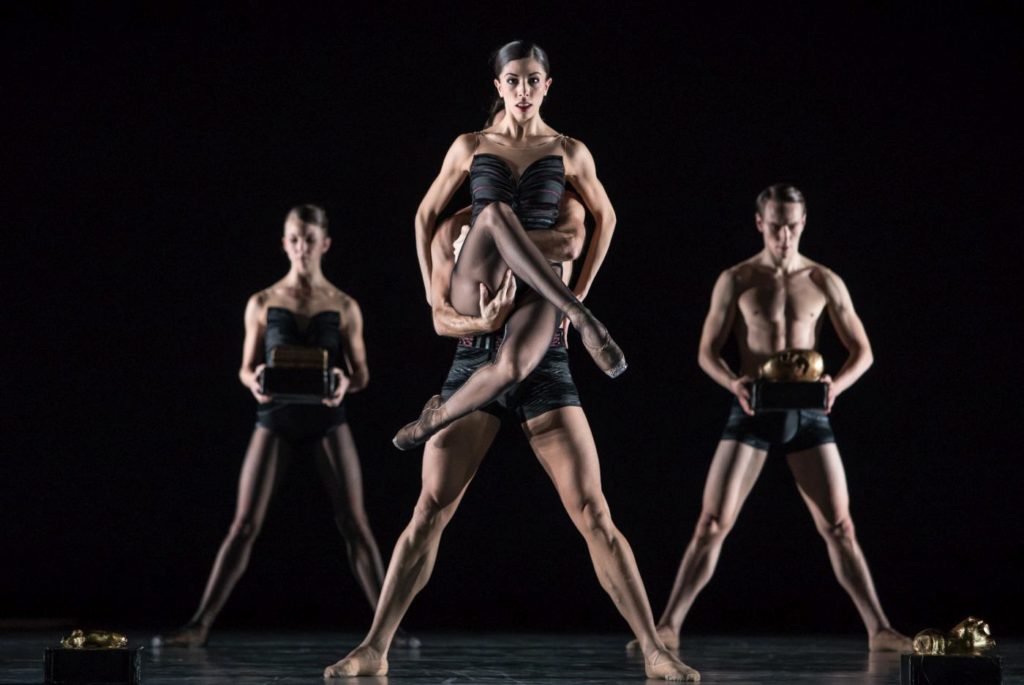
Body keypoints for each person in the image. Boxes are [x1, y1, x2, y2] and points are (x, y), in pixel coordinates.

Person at [324, 187, 700, 680]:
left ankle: (655, 650)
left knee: (593, 511)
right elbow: (439, 317)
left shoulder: (563, 206)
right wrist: (483, 318)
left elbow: (571, 244)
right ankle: (374, 646)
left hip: (545, 368)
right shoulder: (452, 228)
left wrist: (529, 264)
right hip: (472, 362)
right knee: (429, 508)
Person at [643, 184, 911, 652]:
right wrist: (733, 384)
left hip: (809, 410)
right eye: (775, 225)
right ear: (759, 223)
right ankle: (668, 626)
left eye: (792, 225)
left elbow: (863, 351)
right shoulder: (738, 278)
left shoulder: (824, 280)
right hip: (753, 406)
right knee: (711, 524)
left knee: (840, 526)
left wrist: (836, 387)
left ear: (803, 224)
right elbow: (706, 352)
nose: (784, 235)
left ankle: (879, 630)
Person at [155, 205, 389, 647]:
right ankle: (199, 625)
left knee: (355, 523)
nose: (301, 248)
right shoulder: (261, 302)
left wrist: (343, 381)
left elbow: (361, 374)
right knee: (243, 525)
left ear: (325, 244)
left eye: (309, 239)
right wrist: (255, 382)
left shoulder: (344, 305)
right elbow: (244, 369)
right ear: (285, 243)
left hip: (326, 419)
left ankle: (385, 630)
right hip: (275, 417)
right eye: (294, 239)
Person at [391, 39, 628, 451]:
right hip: (480, 272)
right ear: (499, 86)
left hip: (539, 284)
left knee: (514, 365)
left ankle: (431, 422)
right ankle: (583, 317)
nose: (523, 91)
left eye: (532, 81)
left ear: (547, 86)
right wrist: (432, 291)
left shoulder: (569, 150)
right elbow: (423, 215)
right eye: (514, 81)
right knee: (495, 214)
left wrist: (582, 286)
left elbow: (606, 218)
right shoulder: (471, 144)